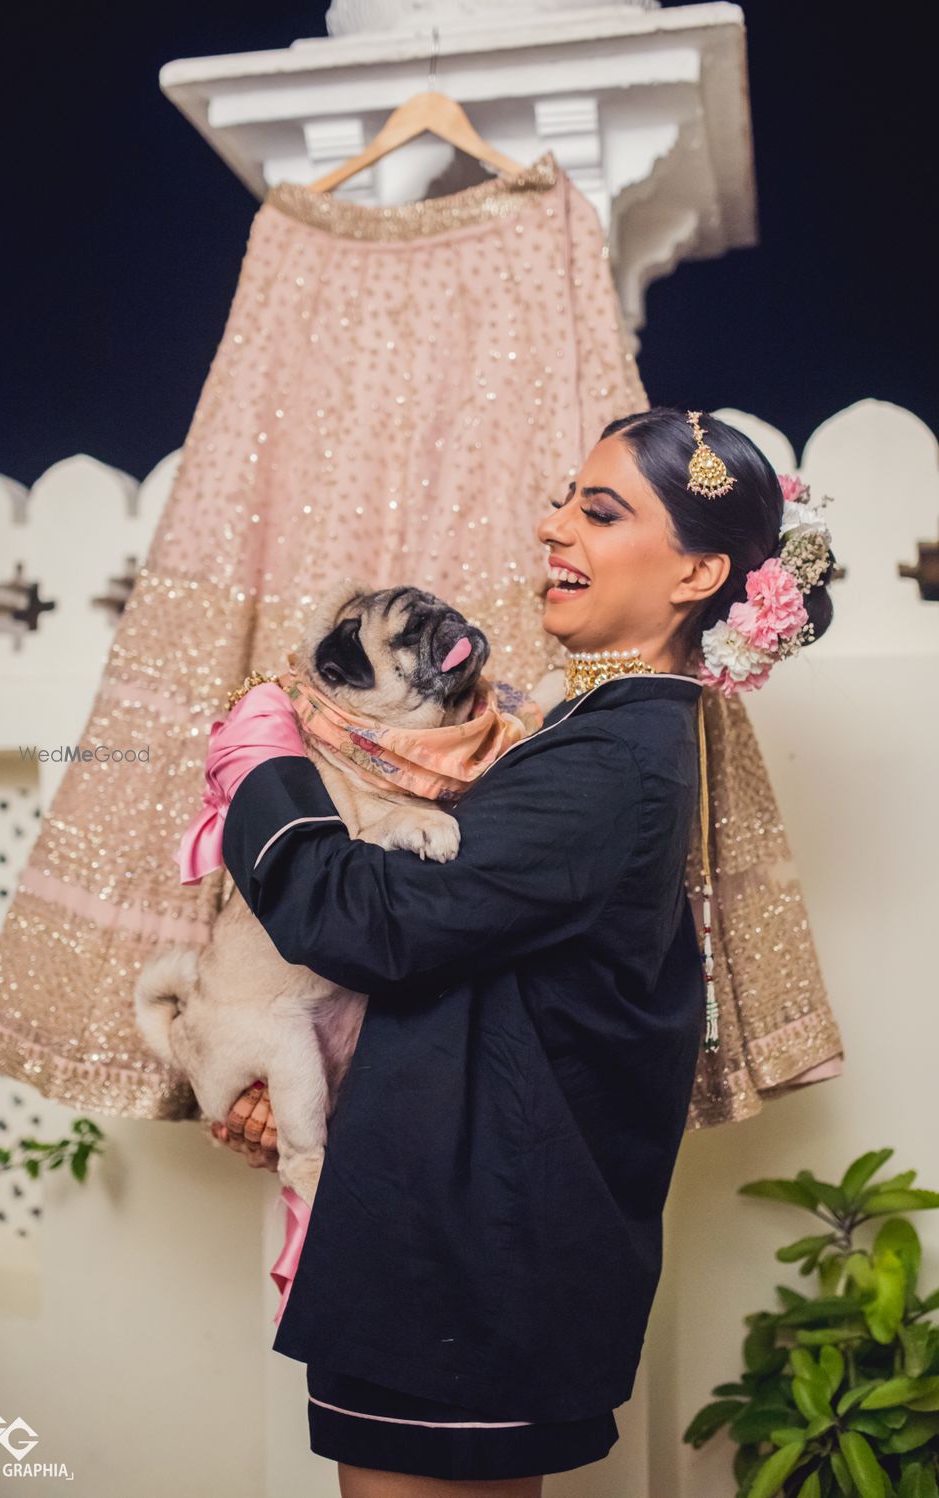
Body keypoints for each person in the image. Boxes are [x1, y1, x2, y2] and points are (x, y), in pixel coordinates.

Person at [207, 408, 836, 1498]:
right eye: (562, 499)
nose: (552, 527)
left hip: (467, 1259)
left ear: (695, 572)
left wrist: (260, 762)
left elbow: (369, 919)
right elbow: (470, 975)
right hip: (468, 1246)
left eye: (597, 511)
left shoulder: (610, 766)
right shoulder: (586, 737)